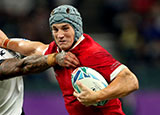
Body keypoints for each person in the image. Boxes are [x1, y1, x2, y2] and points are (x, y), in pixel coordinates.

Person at [0, 5, 139, 115]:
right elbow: (34, 48)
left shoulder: (92, 53)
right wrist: (6, 43)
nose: (60, 35)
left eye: (65, 28)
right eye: (55, 29)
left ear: (77, 28)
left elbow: (131, 81)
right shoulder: (57, 50)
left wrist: (97, 96)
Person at [0, 39, 79, 114]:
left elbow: (37, 50)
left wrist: (73, 50)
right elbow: (21, 67)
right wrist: (54, 58)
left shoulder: (8, 43)